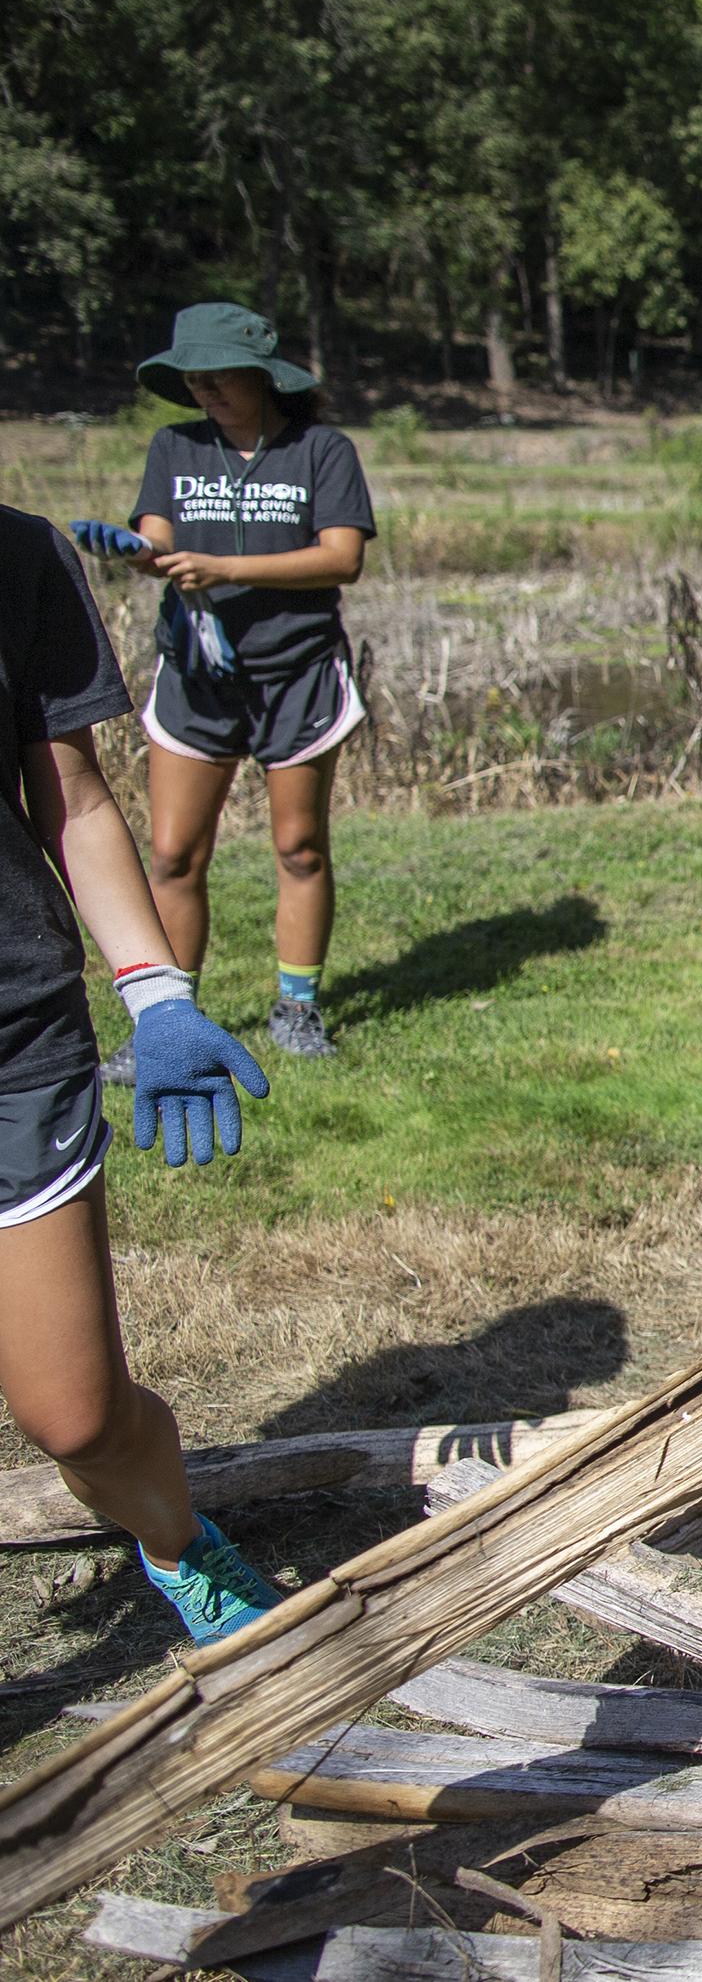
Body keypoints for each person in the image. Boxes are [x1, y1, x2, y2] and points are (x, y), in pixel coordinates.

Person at [5, 504, 282, 1644]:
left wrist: (156, 990)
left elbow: (70, 802)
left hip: (12, 1038)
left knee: (78, 1417)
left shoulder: (18, 555)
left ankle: (178, 1546)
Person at [71, 303, 375, 1069]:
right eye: (192, 378)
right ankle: (167, 1023)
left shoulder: (321, 451)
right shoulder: (175, 447)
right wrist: (137, 551)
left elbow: (342, 558)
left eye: (217, 376)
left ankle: (296, 1010)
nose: (203, 389)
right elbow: (161, 540)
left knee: (300, 847)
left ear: (263, 377)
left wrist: (226, 569)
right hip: (198, 675)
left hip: (298, 671)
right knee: (173, 855)